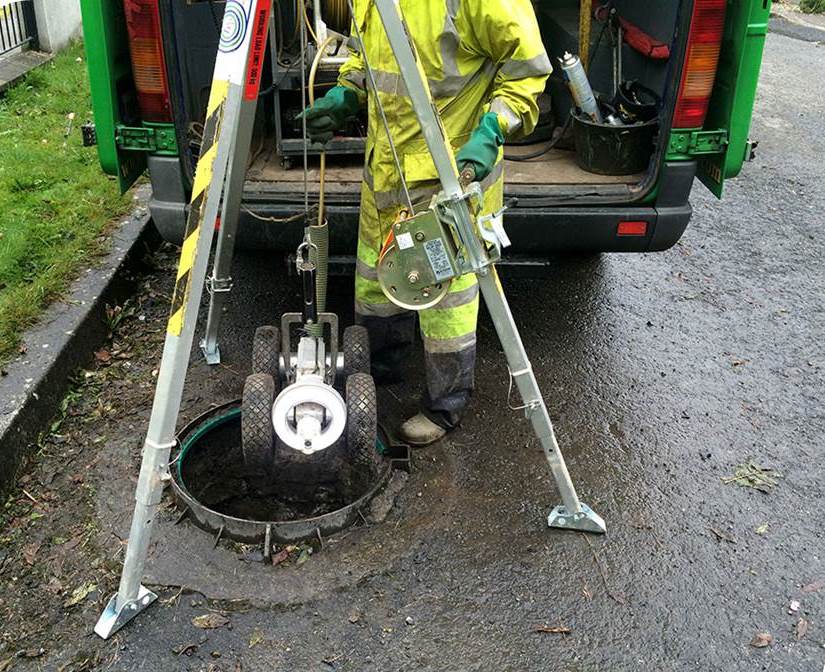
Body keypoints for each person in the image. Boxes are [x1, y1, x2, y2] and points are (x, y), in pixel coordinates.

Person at [302, 0, 551, 446]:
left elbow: (527, 70)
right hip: (386, 172)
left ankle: (445, 405)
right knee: (376, 281)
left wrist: (492, 129)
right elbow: (367, 55)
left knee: (447, 303)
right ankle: (377, 374)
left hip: (449, 177)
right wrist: (346, 94)